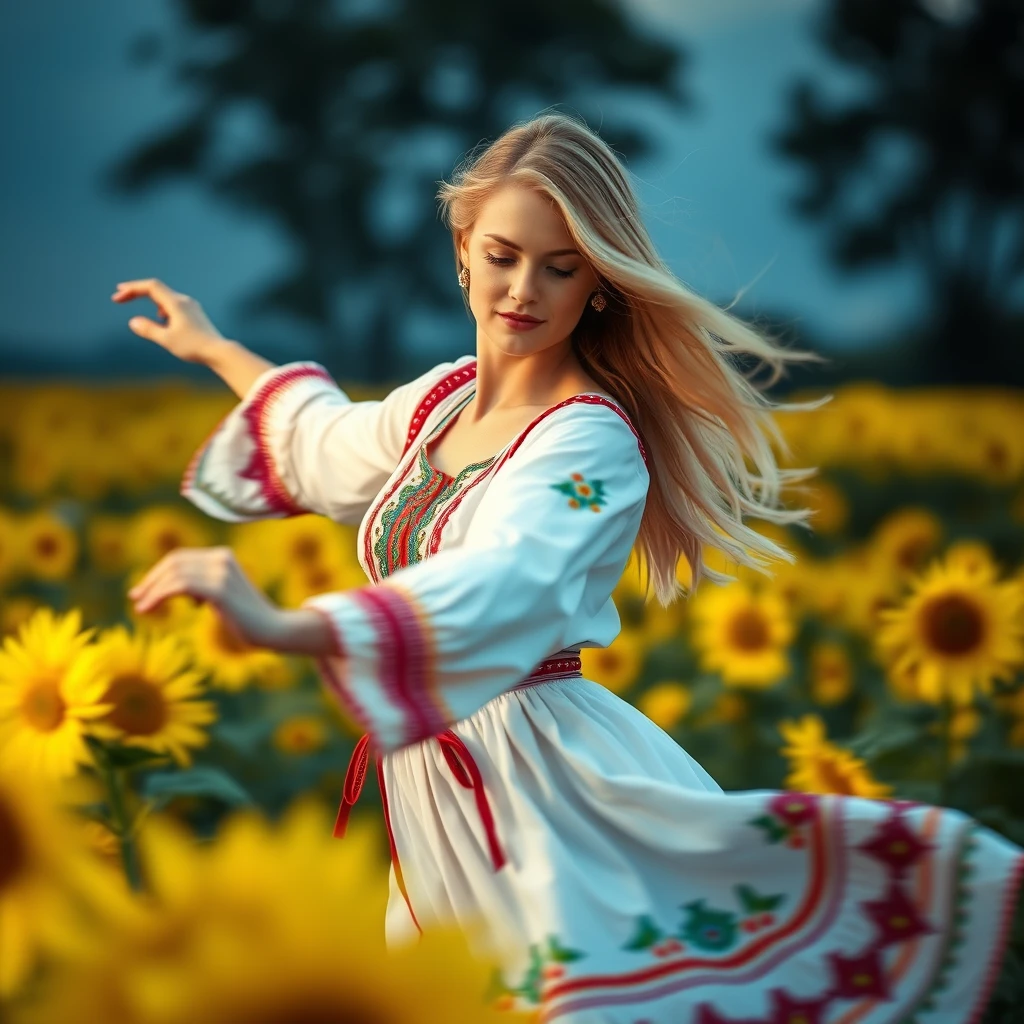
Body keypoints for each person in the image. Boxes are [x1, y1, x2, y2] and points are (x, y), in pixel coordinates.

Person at [115, 112, 1022, 1024]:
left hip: (545, 789)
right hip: (438, 794)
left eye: (562, 266)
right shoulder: (438, 404)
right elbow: (321, 439)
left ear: (598, 286)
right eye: (504, 255)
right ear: (463, 250)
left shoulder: (591, 442)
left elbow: (514, 580)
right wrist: (212, 346)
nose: (523, 290)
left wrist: (286, 625)